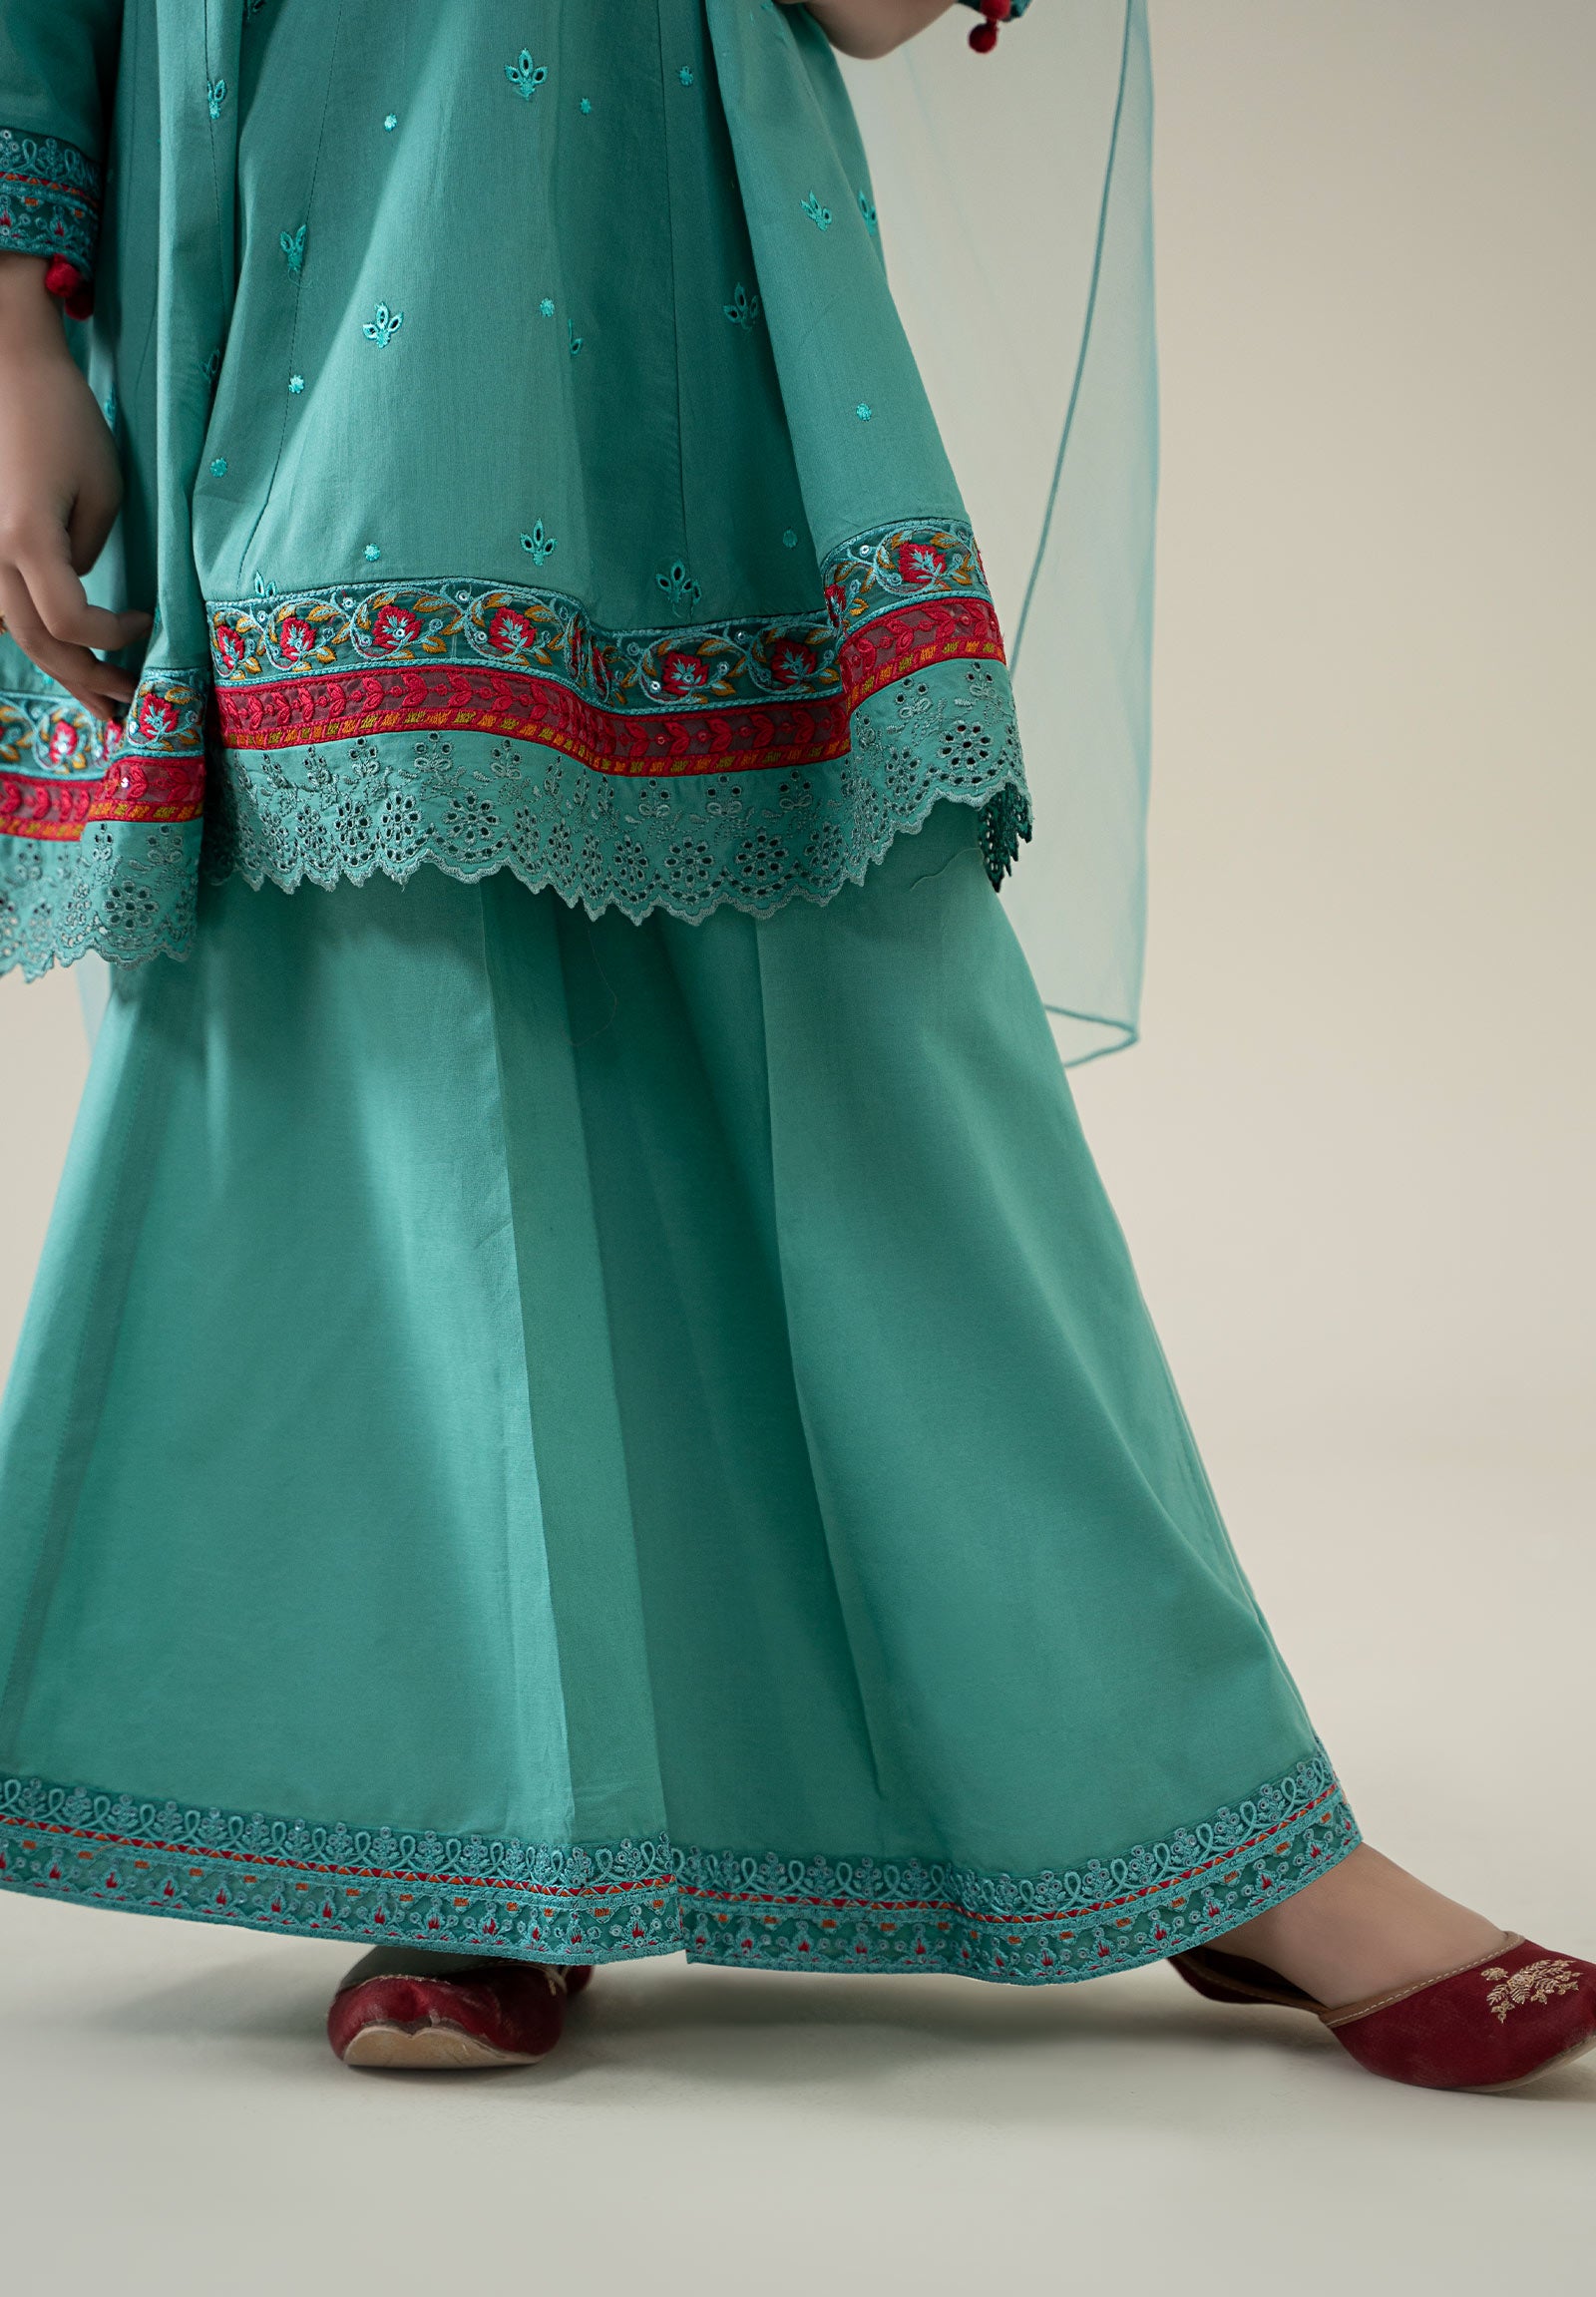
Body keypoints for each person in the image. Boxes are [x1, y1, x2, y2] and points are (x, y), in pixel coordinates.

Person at [0, 0, 1587, 2091]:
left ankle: (1220, 1835)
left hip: (681, 261)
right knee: (411, 1047)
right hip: (294, 275)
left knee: (882, 1057)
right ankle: (492, 1851)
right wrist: (14, 339)